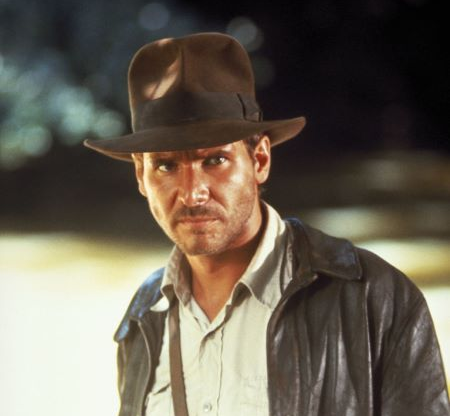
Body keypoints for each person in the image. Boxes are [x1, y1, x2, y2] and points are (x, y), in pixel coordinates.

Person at [84, 33, 450, 416]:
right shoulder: (144, 319)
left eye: (215, 160)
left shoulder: (375, 300)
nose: (192, 193)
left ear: (259, 160)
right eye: (165, 165)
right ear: (140, 176)